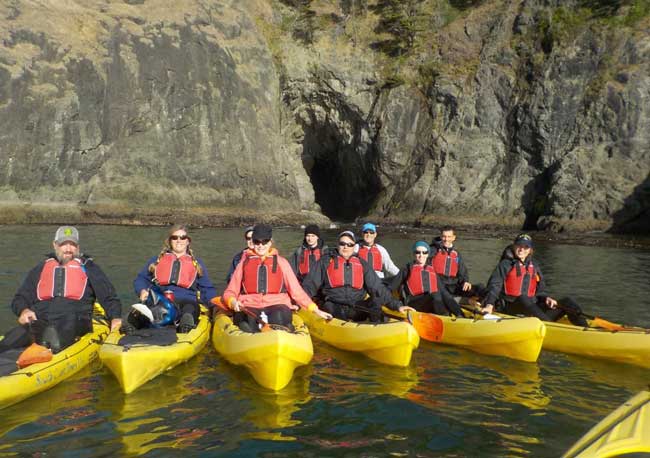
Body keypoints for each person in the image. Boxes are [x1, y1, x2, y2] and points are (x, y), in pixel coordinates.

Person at [0, 226, 122, 353]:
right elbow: (19, 298)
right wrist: (24, 311)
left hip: (73, 322)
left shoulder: (89, 268)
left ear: (78, 247)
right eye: (64, 244)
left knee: (55, 340)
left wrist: (115, 318)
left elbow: (109, 297)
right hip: (40, 322)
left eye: (73, 244)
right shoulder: (41, 268)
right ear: (55, 245)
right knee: (7, 343)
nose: (68, 249)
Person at [222, 224, 332, 332]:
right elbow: (230, 291)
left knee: (279, 317)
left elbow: (296, 291)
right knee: (247, 322)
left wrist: (315, 309)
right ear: (252, 243)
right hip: (249, 305)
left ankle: (282, 335)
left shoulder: (282, 262)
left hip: (277, 304)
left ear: (270, 242)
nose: (261, 245)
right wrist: (232, 302)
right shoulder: (243, 263)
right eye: (257, 242)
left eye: (264, 241)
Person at [302, 230, 411, 322]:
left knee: (376, 301)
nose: (345, 247)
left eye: (349, 244)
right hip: (333, 304)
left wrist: (397, 305)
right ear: (337, 244)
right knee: (331, 309)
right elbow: (310, 285)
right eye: (342, 243)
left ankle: (376, 328)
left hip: (356, 306)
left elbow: (377, 288)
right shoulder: (325, 261)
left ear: (354, 247)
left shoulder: (362, 263)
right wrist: (300, 303)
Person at [480, 234, 588, 326]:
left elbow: (541, 289)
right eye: (519, 246)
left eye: (525, 247)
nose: (521, 249)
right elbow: (494, 286)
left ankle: (587, 330)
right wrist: (489, 304)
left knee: (568, 302)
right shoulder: (505, 264)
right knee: (523, 297)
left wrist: (546, 298)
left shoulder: (534, 266)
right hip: (511, 308)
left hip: (533, 309)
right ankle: (548, 327)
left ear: (530, 250)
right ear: (514, 246)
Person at [133, 224, 217, 333]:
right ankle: (132, 323)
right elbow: (141, 279)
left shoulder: (197, 264)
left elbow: (207, 288)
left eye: (183, 237)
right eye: (174, 237)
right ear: (169, 241)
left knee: (190, 309)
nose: (179, 241)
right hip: (159, 300)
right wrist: (142, 290)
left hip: (186, 301)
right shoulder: (156, 261)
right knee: (144, 309)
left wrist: (214, 307)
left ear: (188, 241)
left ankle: (185, 324)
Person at [389, 241, 462, 316]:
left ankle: (456, 315)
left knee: (442, 295)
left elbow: (444, 293)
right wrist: (397, 305)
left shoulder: (432, 270)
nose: (421, 255)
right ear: (414, 254)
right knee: (435, 295)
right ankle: (444, 317)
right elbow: (390, 288)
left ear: (428, 254)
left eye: (424, 252)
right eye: (418, 252)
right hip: (414, 304)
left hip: (431, 301)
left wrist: (459, 312)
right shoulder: (406, 269)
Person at [429, 226, 484, 298]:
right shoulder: (431, 250)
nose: (446, 239)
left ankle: (487, 305)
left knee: (479, 288)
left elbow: (462, 271)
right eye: (444, 236)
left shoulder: (456, 254)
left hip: (453, 285)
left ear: (453, 238)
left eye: (449, 237)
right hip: (437, 285)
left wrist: (465, 281)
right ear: (441, 236)